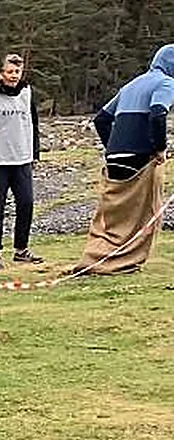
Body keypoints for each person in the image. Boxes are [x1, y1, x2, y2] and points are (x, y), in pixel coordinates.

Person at [80, 44, 174, 274]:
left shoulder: (132, 84)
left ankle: (99, 255)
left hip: (115, 157)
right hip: (139, 157)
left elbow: (101, 119)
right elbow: (158, 113)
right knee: (142, 213)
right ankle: (123, 260)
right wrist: (159, 148)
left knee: (115, 216)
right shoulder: (166, 83)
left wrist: (112, 147)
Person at [0, 53, 43, 271]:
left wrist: (35, 154)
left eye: (17, 72)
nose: (14, 76)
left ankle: (21, 250)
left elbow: (33, 124)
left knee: (26, 204)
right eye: (10, 71)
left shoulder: (27, 94)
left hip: (22, 159)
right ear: (1, 73)